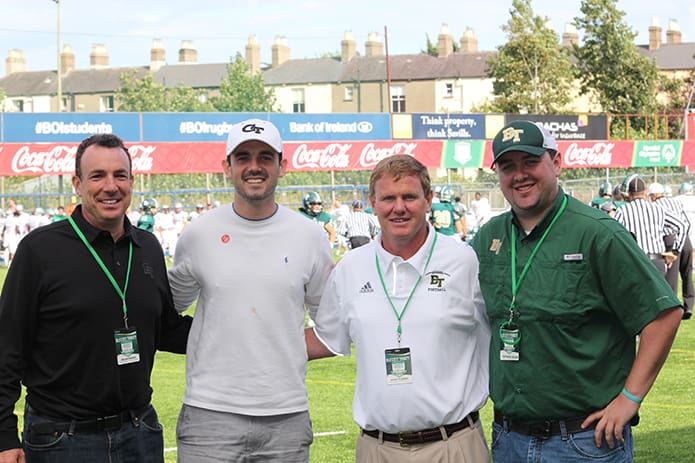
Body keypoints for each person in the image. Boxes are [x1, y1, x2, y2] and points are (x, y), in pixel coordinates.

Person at [471, 120, 682, 462]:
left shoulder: (598, 233)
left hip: (583, 441)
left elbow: (663, 314)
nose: (519, 175)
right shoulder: (488, 237)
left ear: (555, 162)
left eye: (530, 162)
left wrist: (630, 398)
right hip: (509, 438)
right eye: (508, 166)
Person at [0, 133, 192, 463]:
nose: (110, 186)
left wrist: (237, 326)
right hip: (62, 438)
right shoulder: (40, 250)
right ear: (77, 183)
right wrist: (3, 436)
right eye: (97, 176)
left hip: (140, 432)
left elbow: (164, 329)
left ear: (132, 181)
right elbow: (7, 346)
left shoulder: (146, 247)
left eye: (120, 175)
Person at [167, 118, 334, 463]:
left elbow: (331, 327)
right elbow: (166, 309)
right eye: (242, 157)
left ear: (282, 166)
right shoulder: (199, 233)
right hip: (208, 415)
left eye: (265, 157)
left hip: (285, 418)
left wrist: (275, 346)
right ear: (226, 167)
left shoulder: (310, 236)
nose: (254, 167)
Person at [306, 154, 490, 463]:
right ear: (373, 203)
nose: (399, 207)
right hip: (377, 449)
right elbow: (325, 338)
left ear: (428, 199)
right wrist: (249, 350)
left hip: (454, 444)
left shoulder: (465, 261)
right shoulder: (351, 267)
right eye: (388, 198)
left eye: (409, 196)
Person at [614, 174, 687, 277]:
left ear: (629, 193)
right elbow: (682, 225)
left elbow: (614, 233)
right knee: (659, 293)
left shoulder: (622, 211)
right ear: (645, 192)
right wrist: (675, 252)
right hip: (657, 262)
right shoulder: (658, 208)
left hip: (635, 262)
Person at [648, 182, 694, 319]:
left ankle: (672, 309)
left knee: (671, 277)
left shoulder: (655, 206)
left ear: (654, 195)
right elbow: (687, 223)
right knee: (687, 274)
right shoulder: (676, 202)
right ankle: (689, 306)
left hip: (670, 240)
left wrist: (673, 249)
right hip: (685, 238)